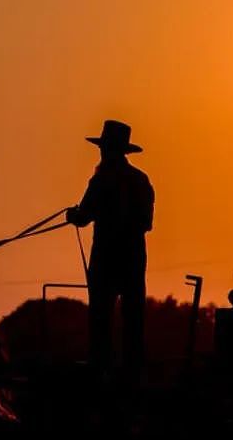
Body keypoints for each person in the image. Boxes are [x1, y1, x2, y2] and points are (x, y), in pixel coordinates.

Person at [66, 120, 154, 383]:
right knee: (133, 314)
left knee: (101, 313)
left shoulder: (101, 179)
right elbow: (146, 223)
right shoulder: (141, 180)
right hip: (134, 259)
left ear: (107, 149)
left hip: (106, 258)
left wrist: (73, 215)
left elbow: (84, 215)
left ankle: (100, 366)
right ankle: (132, 369)